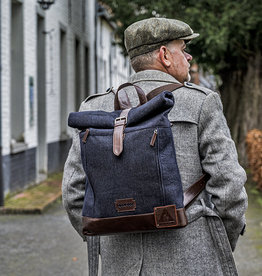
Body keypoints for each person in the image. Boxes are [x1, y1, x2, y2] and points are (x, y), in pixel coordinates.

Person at [62, 17, 248, 276]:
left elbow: (73, 193)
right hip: (193, 261)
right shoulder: (200, 103)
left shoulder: (94, 108)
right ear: (165, 55)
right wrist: (217, 243)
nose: (189, 56)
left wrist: (109, 238)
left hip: (121, 264)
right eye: (183, 48)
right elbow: (229, 189)